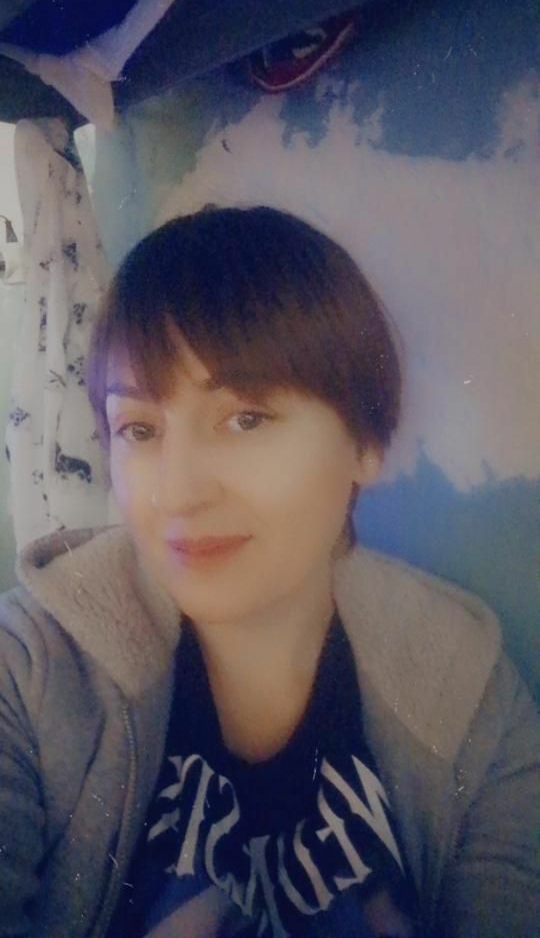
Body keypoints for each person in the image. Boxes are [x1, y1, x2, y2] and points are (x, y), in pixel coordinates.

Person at [0, 206, 538, 938]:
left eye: (245, 418)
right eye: (140, 429)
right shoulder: (29, 669)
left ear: (365, 442)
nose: (177, 493)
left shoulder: (465, 689)